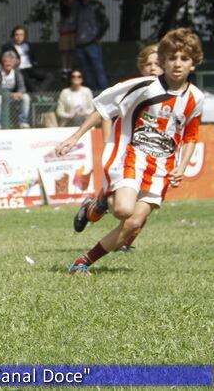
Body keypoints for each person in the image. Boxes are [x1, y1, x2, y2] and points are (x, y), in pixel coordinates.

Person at [56, 28, 204, 275]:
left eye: (184, 59)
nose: (177, 64)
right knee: (124, 210)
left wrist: (182, 165)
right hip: (131, 158)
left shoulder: (195, 98)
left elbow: (190, 136)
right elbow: (104, 109)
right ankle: (100, 203)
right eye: (172, 58)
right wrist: (75, 136)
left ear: (194, 64)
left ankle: (82, 263)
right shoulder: (144, 87)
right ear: (163, 61)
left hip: (161, 168)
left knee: (134, 222)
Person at [72, 43, 165, 249]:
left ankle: (123, 240)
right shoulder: (137, 88)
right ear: (142, 68)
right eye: (148, 64)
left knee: (143, 204)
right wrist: (107, 142)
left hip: (152, 156)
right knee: (121, 209)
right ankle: (94, 206)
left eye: (157, 64)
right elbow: (107, 111)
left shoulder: (173, 95)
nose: (153, 68)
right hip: (126, 154)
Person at [74, 0, 110, 91]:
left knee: (98, 70)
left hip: (92, 43)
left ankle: (104, 92)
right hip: (80, 44)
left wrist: (98, 37)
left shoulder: (96, 6)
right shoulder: (77, 7)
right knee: (86, 71)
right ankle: (93, 92)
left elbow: (105, 23)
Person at [1, 25, 53, 92]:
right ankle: (37, 93)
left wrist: (34, 63)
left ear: (25, 36)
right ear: (13, 35)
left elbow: (33, 58)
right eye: (17, 35)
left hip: (30, 68)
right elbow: (2, 59)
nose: (19, 37)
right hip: (19, 69)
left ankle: (39, 92)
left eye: (21, 35)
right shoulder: (8, 46)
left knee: (49, 76)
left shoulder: (29, 45)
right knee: (25, 78)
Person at [0, 50, 31, 129]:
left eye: (11, 61)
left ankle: (23, 122)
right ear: (2, 62)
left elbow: (22, 87)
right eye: (6, 61)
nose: (9, 63)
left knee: (26, 97)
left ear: (14, 62)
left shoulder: (17, 71)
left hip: (12, 95)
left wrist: (20, 93)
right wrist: (11, 95)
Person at [57, 0, 78, 81]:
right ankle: (64, 69)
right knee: (64, 51)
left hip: (75, 30)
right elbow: (64, 12)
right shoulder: (63, 1)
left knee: (72, 50)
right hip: (65, 29)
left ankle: (70, 68)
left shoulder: (78, 1)